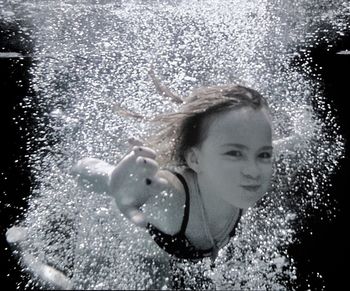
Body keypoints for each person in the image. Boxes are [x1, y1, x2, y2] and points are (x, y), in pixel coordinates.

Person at [72, 83, 274, 263]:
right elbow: (80, 169)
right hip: (119, 248)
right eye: (234, 153)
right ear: (195, 160)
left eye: (263, 154)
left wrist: (303, 136)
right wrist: (109, 179)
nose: (253, 171)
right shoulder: (172, 199)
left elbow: (280, 147)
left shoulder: (242, 180)